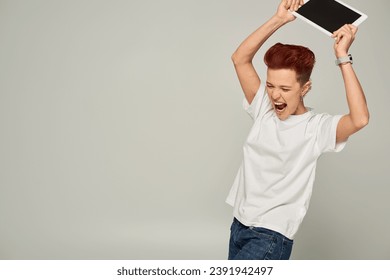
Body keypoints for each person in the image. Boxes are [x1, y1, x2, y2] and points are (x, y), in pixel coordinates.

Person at [226, 0, 369, 260]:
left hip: (270, 236)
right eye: (270, 86)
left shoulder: (316, 128)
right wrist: (279, 19)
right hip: (239, 225)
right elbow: (240, 59)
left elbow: (359, 119)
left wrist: (342, 57)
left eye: (285, 89)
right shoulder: (263, 109)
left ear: (305, 88)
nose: (275, 95)